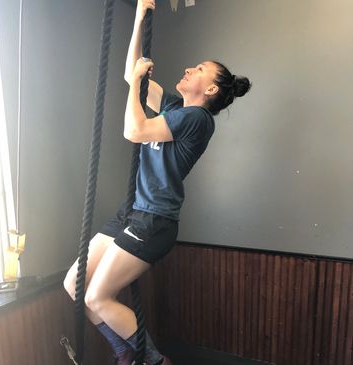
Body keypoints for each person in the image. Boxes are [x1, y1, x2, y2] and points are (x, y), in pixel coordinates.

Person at [63, 0, 251, 364]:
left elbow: (134, 130)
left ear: (211, 90)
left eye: (199, 69)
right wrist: (139, 16)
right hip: (132, 211)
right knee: (75, 285)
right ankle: (125, 353)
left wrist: (136, 84)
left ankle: (153, 360)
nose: (188, 69)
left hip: (154, 221)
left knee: (96, 298)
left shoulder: (197, 119)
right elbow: (129, 73)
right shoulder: (172, 107)